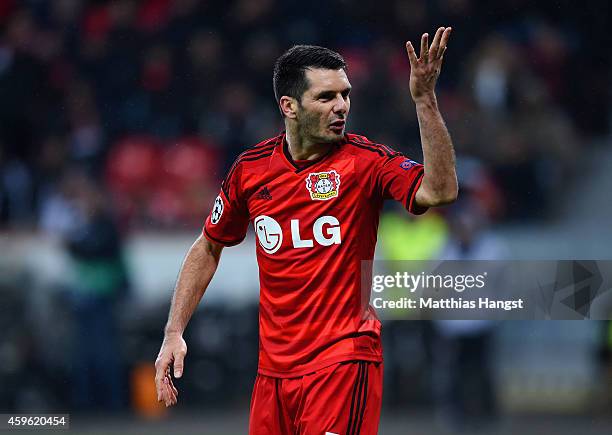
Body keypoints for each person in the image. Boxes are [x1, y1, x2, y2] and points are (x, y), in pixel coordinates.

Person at [156, 27, 457, 435]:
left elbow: (440, 191)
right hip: (273, 375)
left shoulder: (365, 162)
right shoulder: (251, 170)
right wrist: (174, 331)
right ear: (290, 105)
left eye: (345, 95)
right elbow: (209, 244)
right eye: (326, 97)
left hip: (344, 361)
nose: (341, 107)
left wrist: (425, 101)